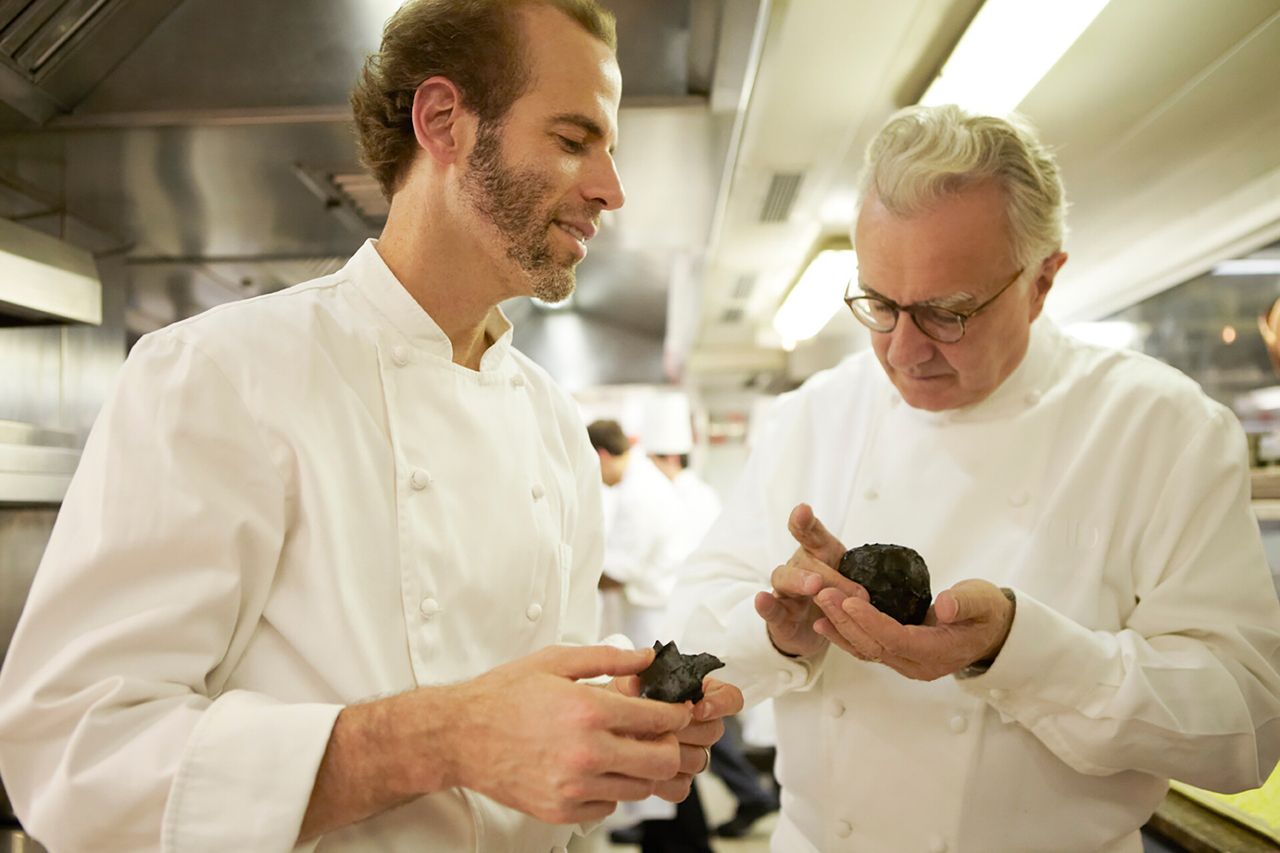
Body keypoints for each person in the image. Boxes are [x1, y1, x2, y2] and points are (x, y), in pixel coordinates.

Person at [0, 2, 742, 851]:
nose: (612, 187)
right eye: (575, 140)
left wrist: (612, 740)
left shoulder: (553, 428)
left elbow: (542, 775)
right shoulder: (221, 374)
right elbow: (76, 750)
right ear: (443, 123)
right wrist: (446, 737)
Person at [667, 104, 1280, 853]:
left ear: (1044, 279)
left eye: (947, 313)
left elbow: (1246, 725)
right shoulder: (811, 417)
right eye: (879, 305)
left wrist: (1016, 651)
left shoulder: (1161, 427)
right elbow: (692, 636)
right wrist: (778, 632)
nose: (901, 351)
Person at [643, 398, 782, 839]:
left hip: (682, 621)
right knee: (705, 721)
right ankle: (744, 797)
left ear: (667, 457)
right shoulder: (687, 493)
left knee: (701, 718)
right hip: (687, 617)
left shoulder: (682, 497)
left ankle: (749, 796)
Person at [586, 418, 712, 853]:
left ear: (600, 455)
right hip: (650, 621)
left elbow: (617, 571)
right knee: (659, 735)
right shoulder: (638, 483)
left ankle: (682, 842)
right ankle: (666, 837)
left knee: (662, 732)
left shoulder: (640, 492)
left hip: (656, 626)